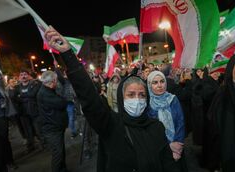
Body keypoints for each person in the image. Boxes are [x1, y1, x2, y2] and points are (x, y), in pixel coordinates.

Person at [44, 26, 181, 172]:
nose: (137, 99)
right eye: (131, 94)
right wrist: (68, 55)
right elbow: (90, 98)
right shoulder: (112, 125)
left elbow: (168, 164)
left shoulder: (157, 127)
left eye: (142, 95)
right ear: (122, 98)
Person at [147, 71, 187, 171]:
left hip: (177, 146)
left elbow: (180, 122)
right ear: (149, 85)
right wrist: (168, 145)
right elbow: (150, 129)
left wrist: (177, 145)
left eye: (162, 81)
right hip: (159, 148)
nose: (159, 85)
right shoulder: (147, 104)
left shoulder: (173, 99)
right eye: (155, 82)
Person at [37, 71, 68, 172]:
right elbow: (62, 103)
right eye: (56, 81)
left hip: (55, 127)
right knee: (58, 154)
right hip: (52, 129)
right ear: (53, 81)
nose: (57, 83)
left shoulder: (47, 91)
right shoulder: (45, 93)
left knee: (61, 152)